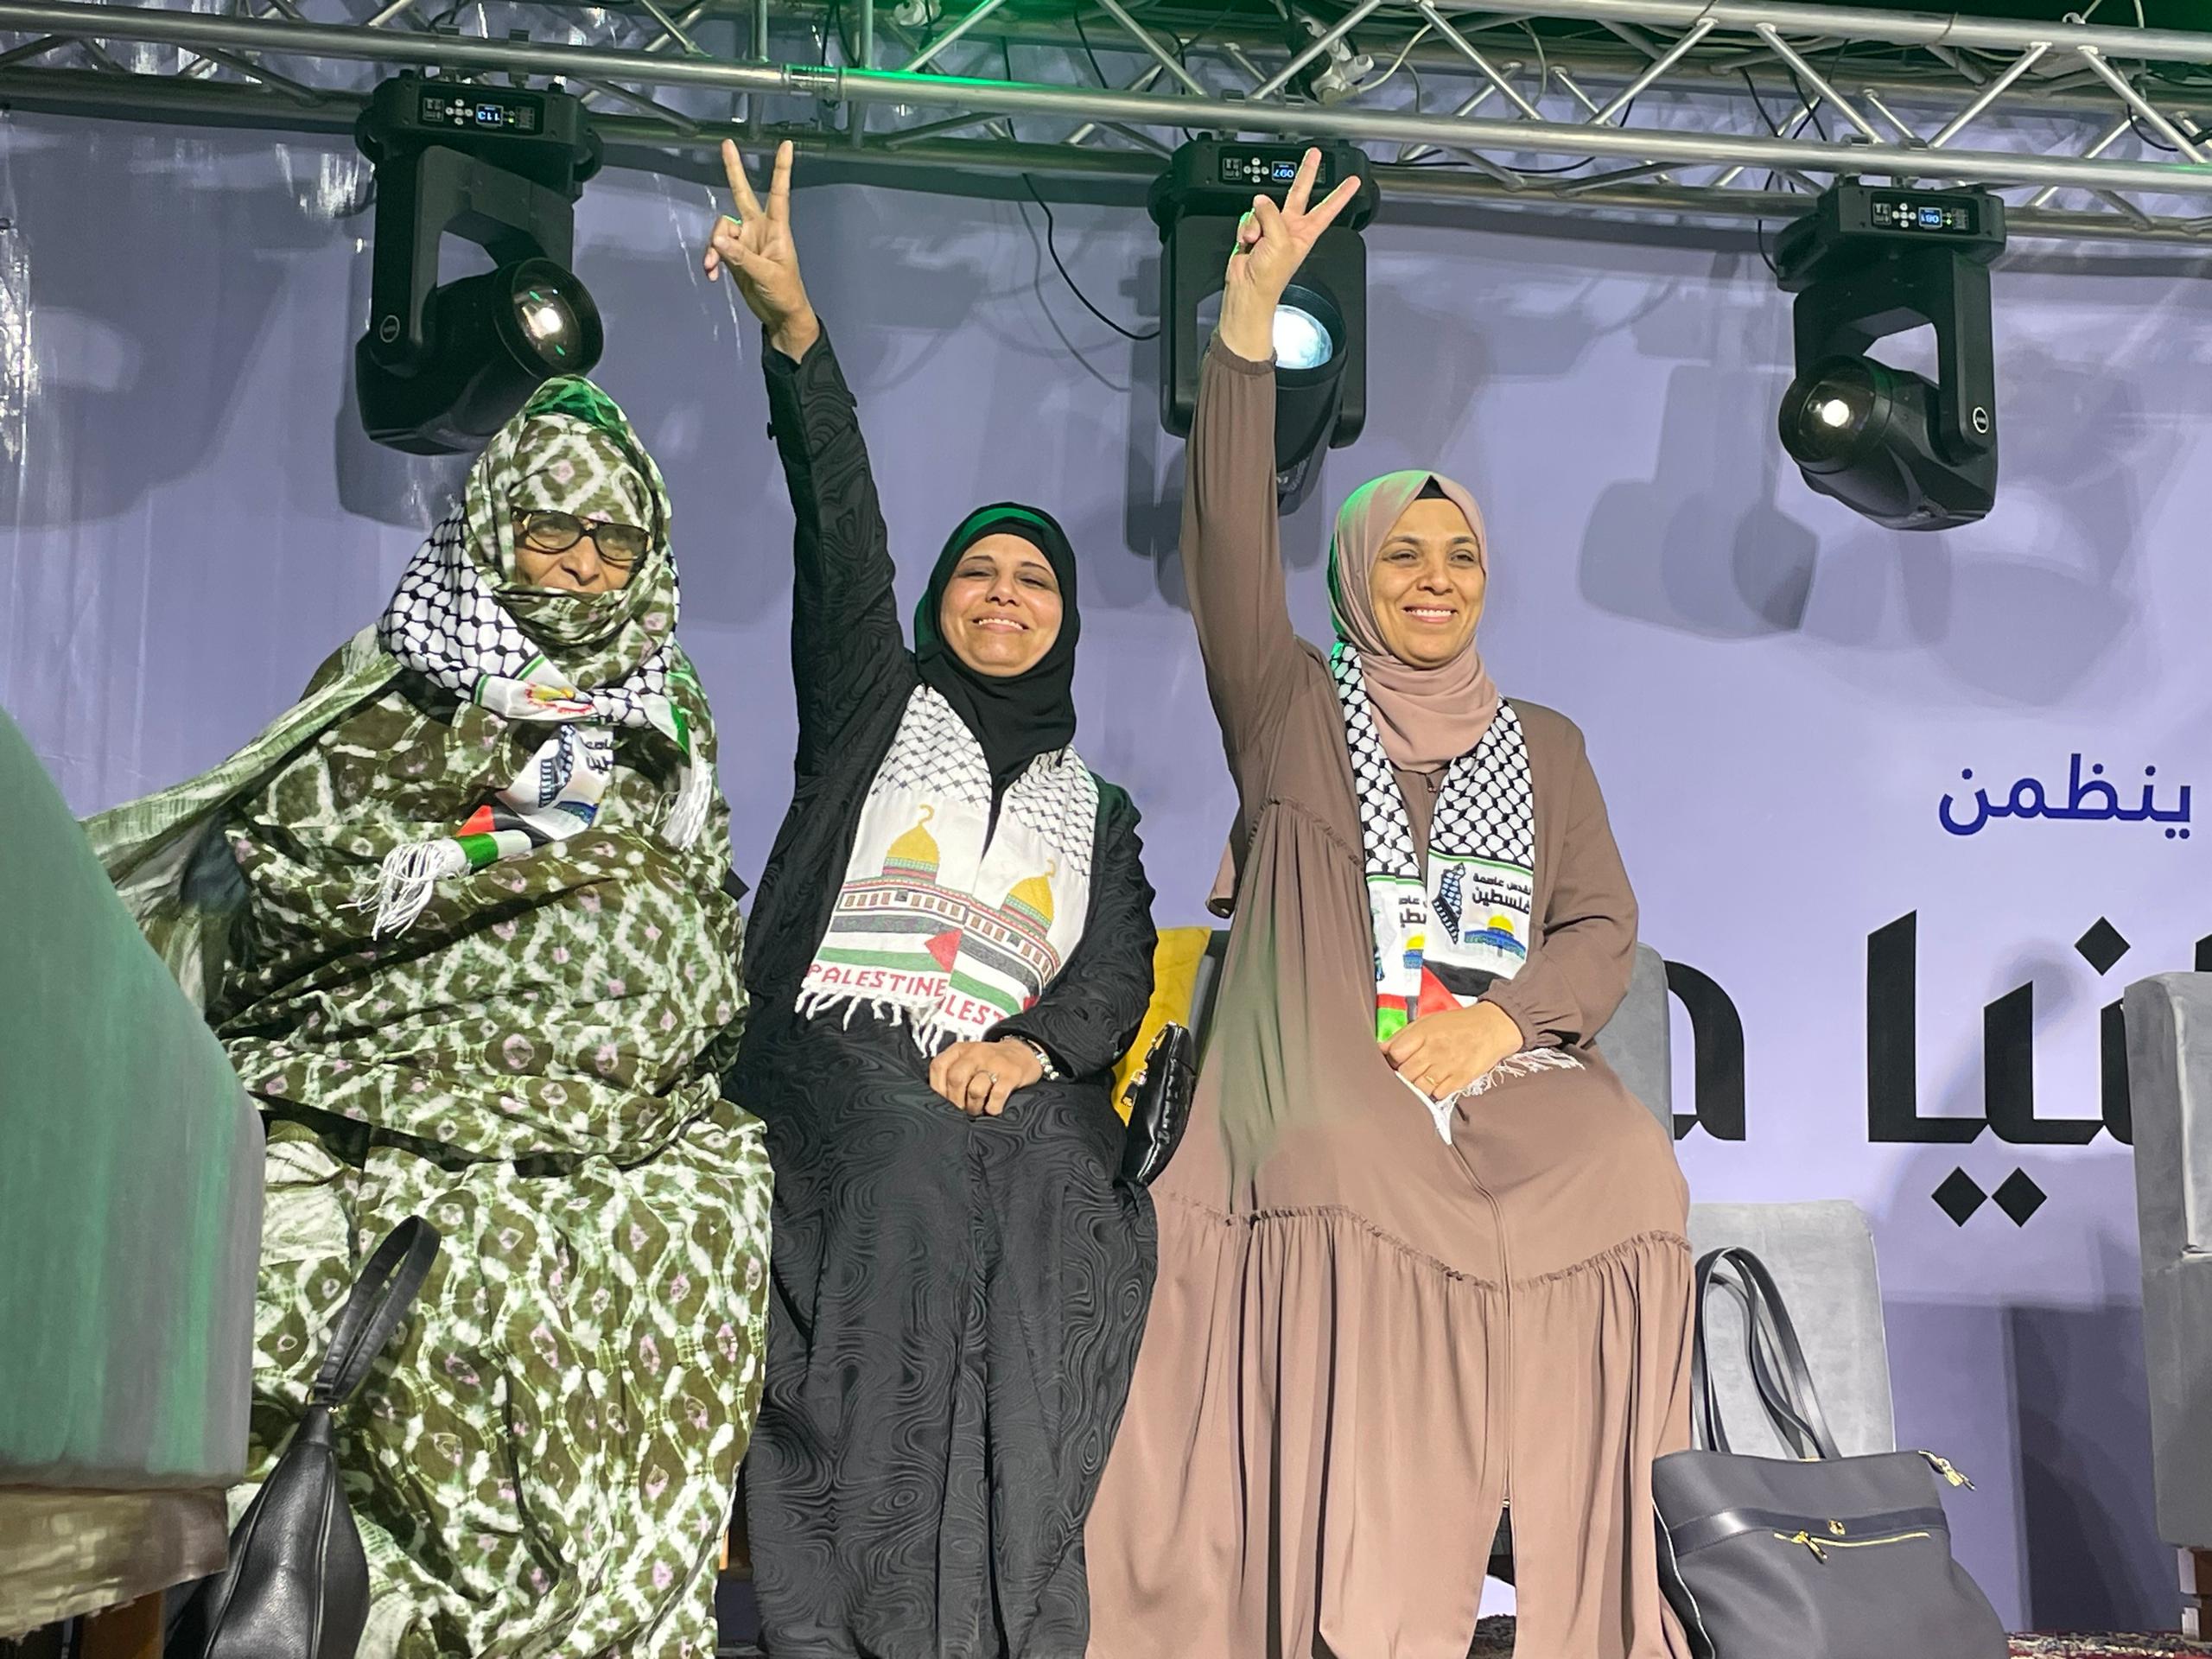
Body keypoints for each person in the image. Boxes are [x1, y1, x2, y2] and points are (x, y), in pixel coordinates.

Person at [1082, 152, 1694, 1659]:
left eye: (1461, 554)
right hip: (1329, 1067)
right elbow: (1231, 541)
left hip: (1498, 1060)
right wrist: (1243, 332)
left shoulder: (1543, 743)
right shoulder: (1290, 705)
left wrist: (1503, 1025)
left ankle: (1594, 1610)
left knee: (1628, 1165)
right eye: (1404, 554)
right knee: (1352, 1167)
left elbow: (1600, 933)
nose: (1435, 577)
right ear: (1358, 575)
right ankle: (1359, 1608)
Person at [87, 377, 772, 1659]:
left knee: (708, 1219)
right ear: (494, 531)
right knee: (456, 1270)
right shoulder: (402, 677)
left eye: (614, 543)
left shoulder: (673, 716)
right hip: (404, 1067)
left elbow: (701, 891)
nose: (581, 567)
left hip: (637, 1112)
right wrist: (511, 872)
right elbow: (299, 860)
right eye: (552, 534)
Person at [703, 143, 1160, 1659]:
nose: (1005, 595)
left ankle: (1015, 1605)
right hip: (841, 1054)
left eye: (1034, 580)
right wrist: (797, 339)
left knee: (1063, 1190)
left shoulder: (1097, 811)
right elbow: (841, 534)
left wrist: (1026, 1051)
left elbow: (1110, 982)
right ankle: (853, 1620)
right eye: (981, 576)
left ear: (1065, 620)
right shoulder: (872, 712)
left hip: (996, 1072)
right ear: (940, 606)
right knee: (903, 1167)